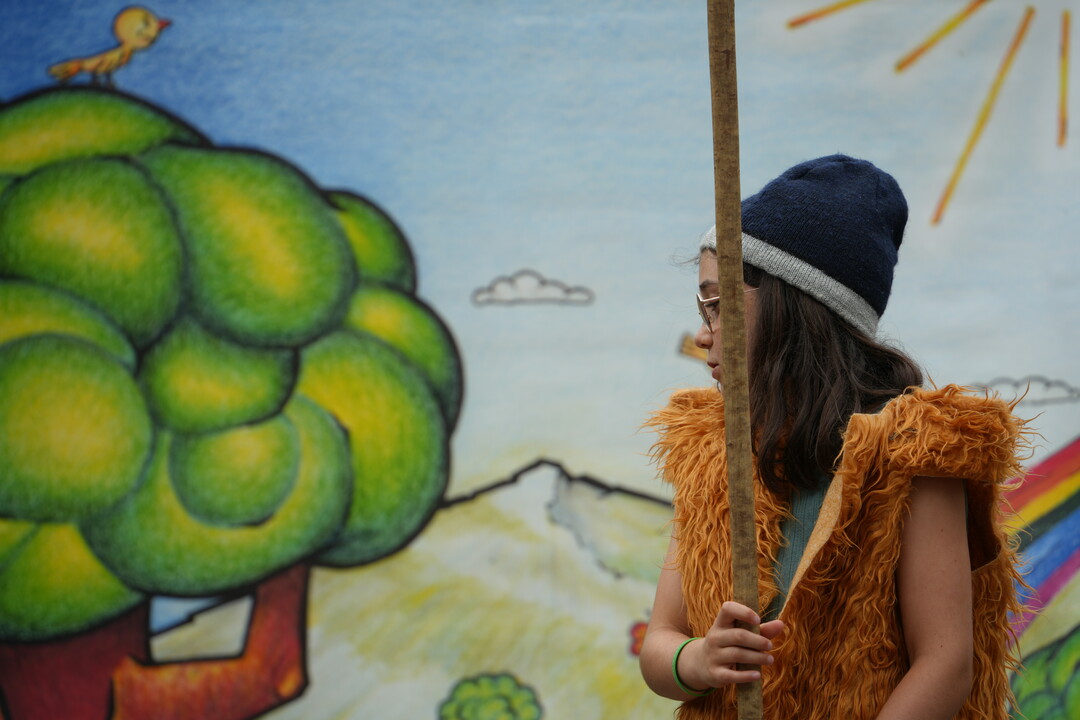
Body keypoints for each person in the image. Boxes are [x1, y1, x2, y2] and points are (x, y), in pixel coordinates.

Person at [639, 154, 1027, 719]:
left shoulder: (914, 454)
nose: (702, 334)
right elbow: (660, 641)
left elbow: (944, 665)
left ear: (794, 311)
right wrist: (698, 659)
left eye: (718, 305)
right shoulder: (710, 453)